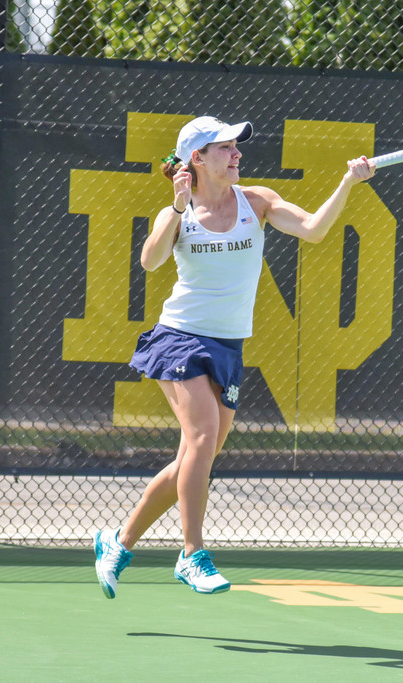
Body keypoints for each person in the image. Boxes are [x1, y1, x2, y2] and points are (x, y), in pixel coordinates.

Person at [93, 116, 376, 598]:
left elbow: (312, 230)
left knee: (193, 458)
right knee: (201, 438)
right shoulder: (175, 215)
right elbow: (150, 262)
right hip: (179, 338)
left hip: (227, 346)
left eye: (236, 146)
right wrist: (179, 209)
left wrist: (349, 181)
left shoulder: (257, 201)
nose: (237, 154)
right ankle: (192, 554)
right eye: (225, 148)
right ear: (197, 160)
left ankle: (117, 542)